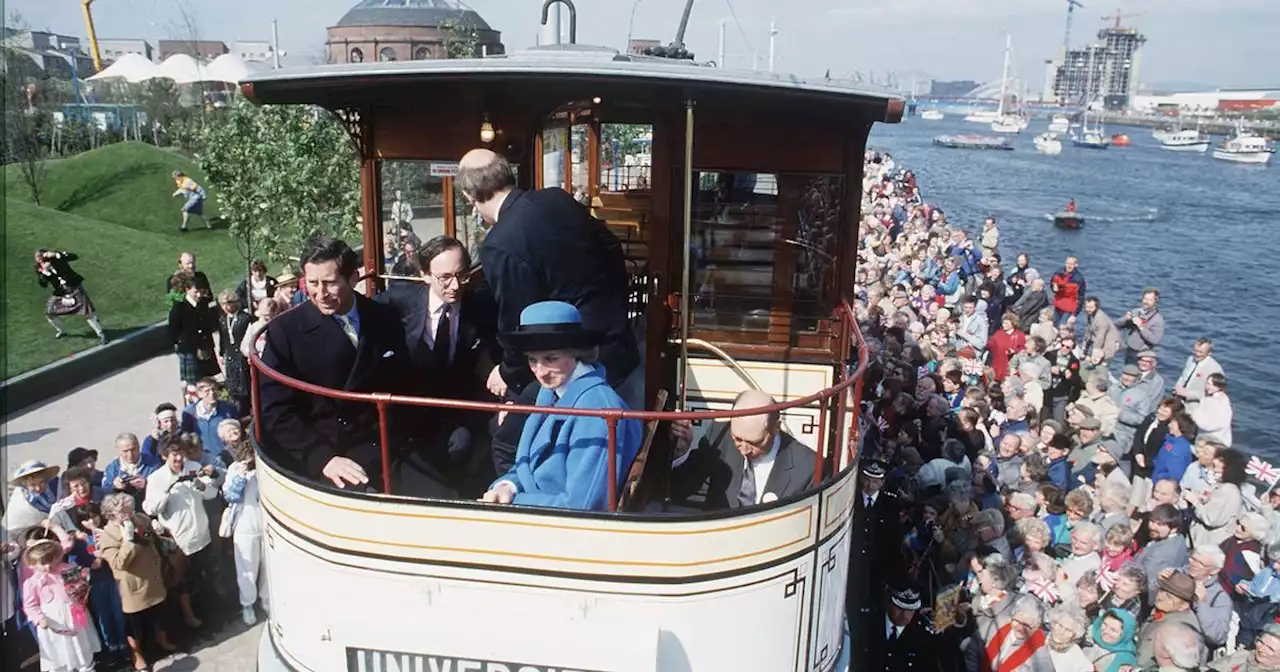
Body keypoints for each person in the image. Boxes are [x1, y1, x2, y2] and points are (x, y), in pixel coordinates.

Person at [458, 149, 642, 473]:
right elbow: (611, 247)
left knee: (504, 439)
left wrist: (507, 372)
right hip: (617, 342)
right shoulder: (558, 200)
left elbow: (518, 319)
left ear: (469, 195)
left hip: (577, 361)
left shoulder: (500, 243)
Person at [258, 234, 411, 491]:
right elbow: (275, 410)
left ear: (353, 279)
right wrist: (322, 458)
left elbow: (404, 380)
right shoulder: (285, 333)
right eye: (312, 283)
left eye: (329, 283)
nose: (320, 293)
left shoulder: (384, 317)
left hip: (389, 442)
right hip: (330, 451)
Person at [481, 302, 642, 511]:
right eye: (532, 360)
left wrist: (513, 502)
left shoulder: (598, 412)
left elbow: (583, 506)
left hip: (561, 529)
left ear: (577, 353)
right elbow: (528, 466)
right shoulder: (552, 391)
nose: (540, 372)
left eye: (551, 359)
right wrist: (508, 486)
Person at [376, 235, 498, 472]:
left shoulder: (481, 305)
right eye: (444, 278)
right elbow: (359, 312)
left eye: (462, 275)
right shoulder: (398, 300)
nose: (455, 286)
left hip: (457, 401)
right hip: (409, 400)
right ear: (425, 275)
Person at [667, 390, 818, 510]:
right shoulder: (719, 436)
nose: (744, 450)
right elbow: (677, 491)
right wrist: (682, 452)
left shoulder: (809, 467)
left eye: (754, 443)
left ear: (776, 428)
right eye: (737, 439)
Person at [142, 435, 214, 629]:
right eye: (174, 455)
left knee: (204, 576)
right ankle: (189, 618)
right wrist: (167, 490)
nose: (179, 459)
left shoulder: (193, 467)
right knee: (183, 583)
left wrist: (201, 485)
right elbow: (150, 509)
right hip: (179, 541)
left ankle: (209, 614)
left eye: (181, 453)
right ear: (165, 456)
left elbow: (211, 494)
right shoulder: (156, 479)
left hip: (201, 534)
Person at [21, 539, 102, 672]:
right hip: (52, 619)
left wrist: (81, 596)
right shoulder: (32, 582)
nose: (48, 566)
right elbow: (30, 605)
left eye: (51, 561)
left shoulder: (67, 569)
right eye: (43, 563)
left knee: (79, 643)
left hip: (72, 613)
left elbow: (79, 588)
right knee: (59, 648)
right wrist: (39, 618)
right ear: (34, 563)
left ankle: (85, 666)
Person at [220, 440, 264, 626]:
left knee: (268, 568)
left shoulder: (264, 470)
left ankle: (268, 603)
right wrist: (242, 477)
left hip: (265, 525)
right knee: (247, 569)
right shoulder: (234, 470)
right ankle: (248, 605)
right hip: (244, 526)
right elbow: (230, 496)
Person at [35, 249, 109, 345]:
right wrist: (45, 272)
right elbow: (43, 284)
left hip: (74, 287)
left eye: (42, 259)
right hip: (60, 292)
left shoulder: (57, 258)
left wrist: (57, 254)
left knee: (88, 312)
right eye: (38, 260)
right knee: (49, 312)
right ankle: (61, 330)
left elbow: (74, 256)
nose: (41, 262)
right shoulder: (39, 268)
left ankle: (100, 334)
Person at [168, 277, 221, 401]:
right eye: (195, 292)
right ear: (187, 290)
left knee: (208, 381)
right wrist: (189, 346)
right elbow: (172, 333)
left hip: (206, 348)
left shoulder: (203, 305)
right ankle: (192, 408)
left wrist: (206, 346)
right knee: (192, 385)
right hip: (189, 351)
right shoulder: (179, 308)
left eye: (201, 292)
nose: (199, 295)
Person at [100, 433, 160, 511]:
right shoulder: (112, 468)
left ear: (139, 447)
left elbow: (164, 488)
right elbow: (103, 493)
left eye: (133, 449)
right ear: (119, 451)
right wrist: (114, 486)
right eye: (125, 451)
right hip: (122, 512)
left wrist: (148, 485)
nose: (130, 454)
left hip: (148, 510)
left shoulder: (154, 465)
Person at [216, 290, 253, 413]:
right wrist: (221, 353)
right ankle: (238, 409)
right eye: (222, 304)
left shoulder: (245, 318)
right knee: (233, 385)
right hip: (230, 356)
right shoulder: (222, 319)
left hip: (242, 356)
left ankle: (249, 408)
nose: (226, 307)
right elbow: (223, 338)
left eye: (229, 303)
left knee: (245, 384)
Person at [1118, 287, 1165, 364]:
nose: (1146, 302)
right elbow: (1117, 325)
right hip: (1128, 349)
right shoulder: (1136, 311)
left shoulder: (1158, 319)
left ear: (1156, 302)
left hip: (1142, 354)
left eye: (1150, 300)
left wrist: (1141, 327)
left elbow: (1156, 340)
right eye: (1145, 299)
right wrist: (1126, 319)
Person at [1049, 256, 1087, 327]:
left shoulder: (1079, 279)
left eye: (1071, 264)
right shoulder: (1058, 272)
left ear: (1076, 265)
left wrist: (1074, 314)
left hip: (1070, 307)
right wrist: (1053, 287)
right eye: (1067, 263)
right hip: (1058, 304)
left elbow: (1081, 297)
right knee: (1055, 325)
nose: (1069, 266)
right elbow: (1052, 283)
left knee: (1063, 326)